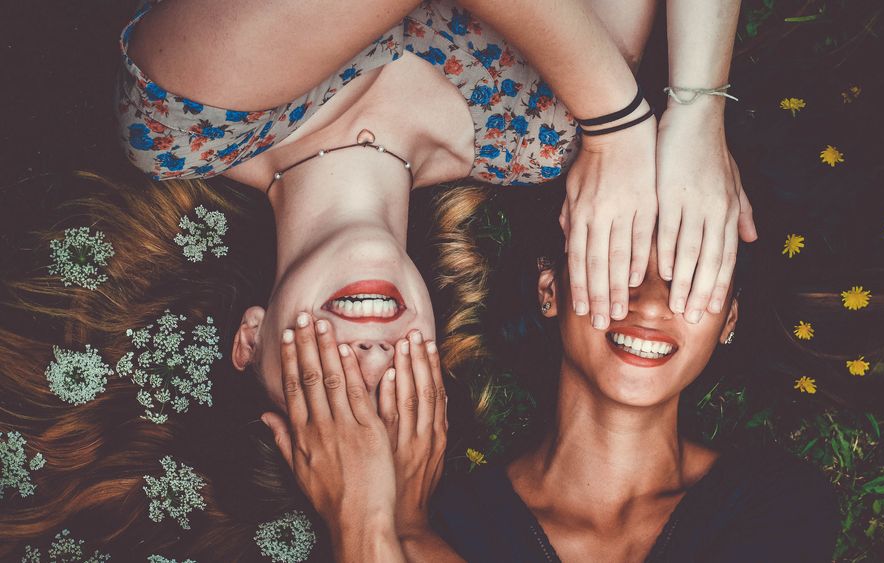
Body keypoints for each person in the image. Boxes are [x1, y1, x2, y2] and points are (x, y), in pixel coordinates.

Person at [117, 0, 758, 409]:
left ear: (251, 339)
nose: (370, 359)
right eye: (399, 396)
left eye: (325, 387)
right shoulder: (532, 136)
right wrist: (699, 113)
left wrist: (619, 122)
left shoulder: (184, 123)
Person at [267, 213, 840, 561]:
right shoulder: (456, 518)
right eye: (618, 260)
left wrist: (373, 528)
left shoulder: (779, 504)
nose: (650, 301)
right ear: (551, 288)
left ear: (729, 319)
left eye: (691, 275)